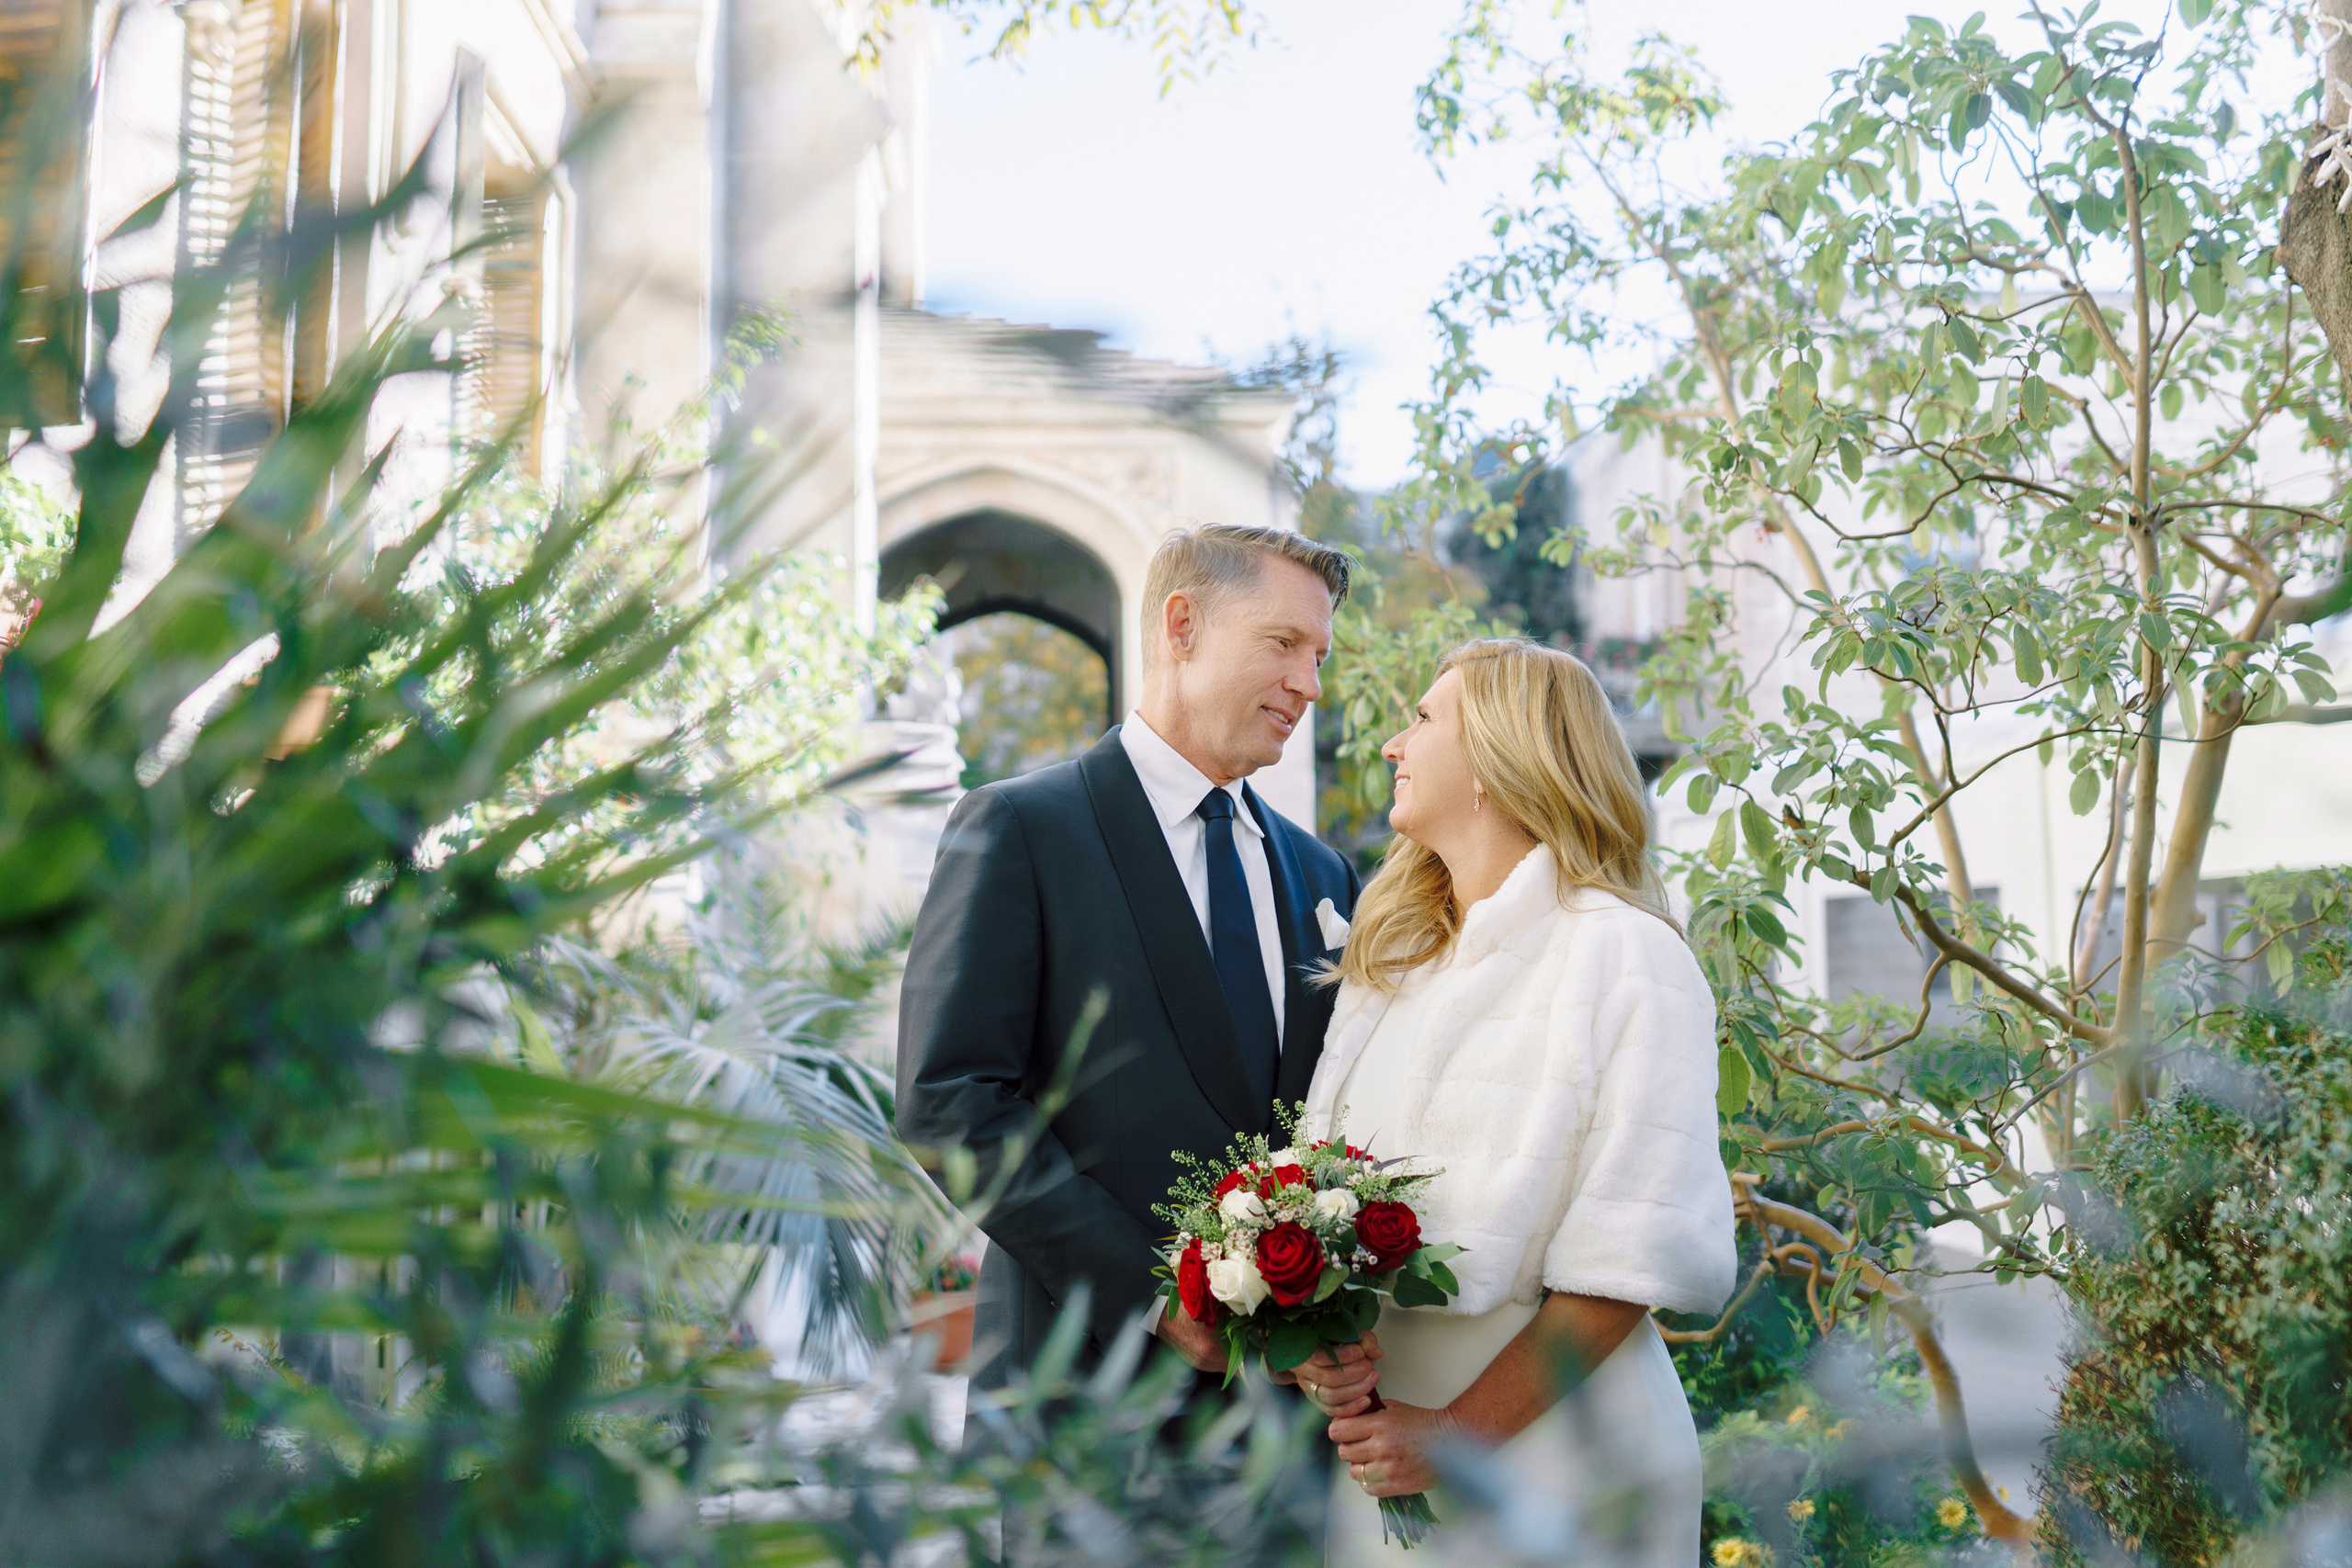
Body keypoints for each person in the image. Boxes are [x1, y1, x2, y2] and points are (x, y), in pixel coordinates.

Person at [1277, 637, 1736, 1565]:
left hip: (1562, 1449)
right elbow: (1319, 1193)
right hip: (1382, 1455)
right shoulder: (1392, 966)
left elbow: (1630, 1257)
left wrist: (1455, 1431)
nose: (1393, 746)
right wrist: (1311, 1342)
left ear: (1494, 756)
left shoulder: (1626, 955)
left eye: (1421, 720)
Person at [896, 523, 1367, 1397]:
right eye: (1283, 643)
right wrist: (1156, 1295)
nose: (1309, 683)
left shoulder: (1323, 872)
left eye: (1320, 655)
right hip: (1082, 1405)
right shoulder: (1021, 830)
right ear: (1181, 626)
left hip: (1288, 1428)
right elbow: (948, 1103)